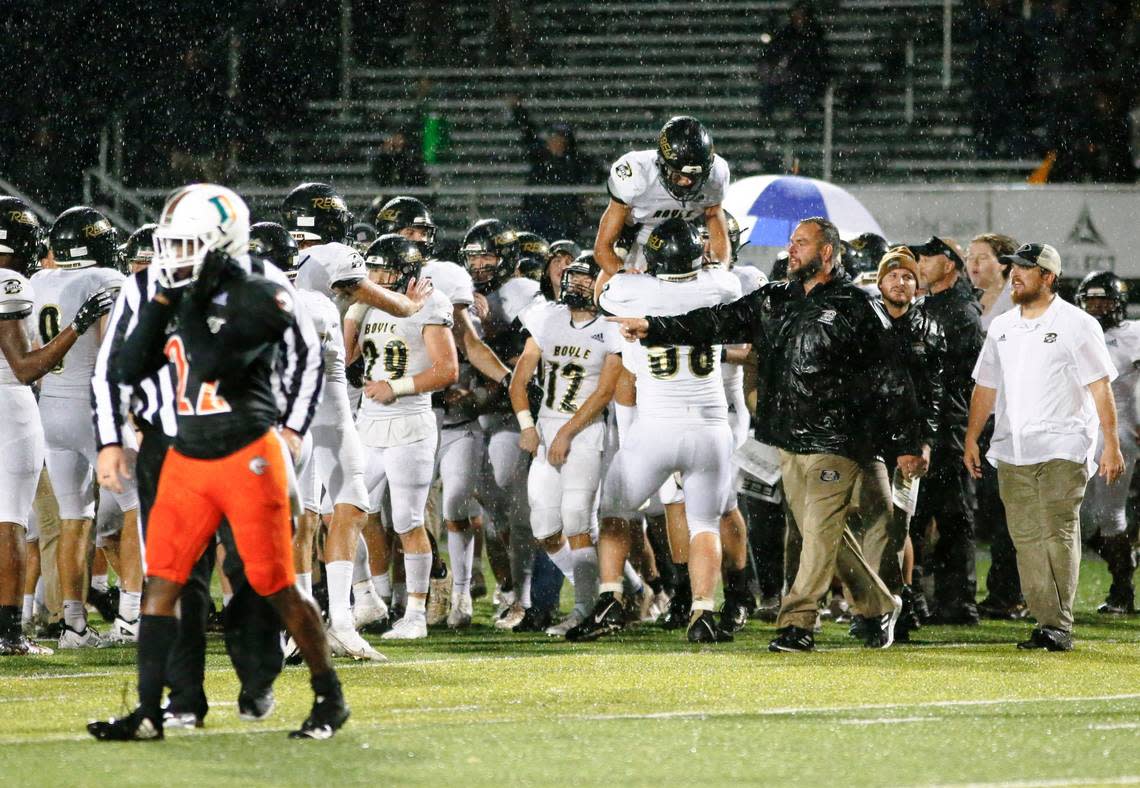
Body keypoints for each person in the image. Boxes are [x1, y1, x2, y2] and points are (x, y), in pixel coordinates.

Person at [89, 183, 347, 741]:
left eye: (186, 245)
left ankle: (297, 687)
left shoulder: (260, 292)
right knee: (169, 579)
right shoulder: (155, 286)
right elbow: (121, 367)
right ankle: (161, 707)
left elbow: (222, 361)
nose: (171, 257)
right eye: (170, 243)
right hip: (178, 447)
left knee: (264, 579)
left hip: (246, 447)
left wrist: (293, 429)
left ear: (220, 245)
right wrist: (113, 435)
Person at [611, 217, 924, 652]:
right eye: (791, 242)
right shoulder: (776, 298)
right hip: (789, 438)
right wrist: (655, 327)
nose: (791, 250)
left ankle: (797, 622)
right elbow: (716, 321)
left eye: (801, 243)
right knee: (827, 534)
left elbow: (893, 377)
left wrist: (908, 443)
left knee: (815, 534)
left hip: (839, 440)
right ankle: (879, 606)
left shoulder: (857, 306)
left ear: (827, 253)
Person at [573, 218, 741, 644]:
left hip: (658, 425)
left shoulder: (631, 291)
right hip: (710, 426)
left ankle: (611, 596)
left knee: (614, 508)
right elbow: (720, 264)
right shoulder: (721, 286)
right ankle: (703, 611)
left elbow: (602, 286)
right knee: (704, 523)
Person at [964, 243, 1124, 652]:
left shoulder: (1077, 323)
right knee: (1027, 538)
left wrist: (1110, 444)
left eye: (1025, 270)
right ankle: (1047, 621)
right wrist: (970, 437)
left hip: (1064, 445)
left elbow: (1100, 386)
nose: (1014, 275)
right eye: (1013, 268)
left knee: (1057, 530)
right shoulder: (1002, 326)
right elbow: (986, 386)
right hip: (1013, 448)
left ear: (1048, 277)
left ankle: (1057, 622)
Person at [0, 197, 113, 656]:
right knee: (9, 522)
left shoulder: (28, 281)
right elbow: (26, 367)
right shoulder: (8, 281)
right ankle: (8, 632)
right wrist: (76, 325)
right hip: (10, 405)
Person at [33, 206, 142, 648]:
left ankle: (73, 627)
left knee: (73, 517)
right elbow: (113, 352)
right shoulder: (108, 281)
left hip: (49, 411)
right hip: (94, 410)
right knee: (138, 506)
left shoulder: (38, 281)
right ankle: (131, 620)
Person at [350, 234, 457, 640]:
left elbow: (447, 370)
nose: (376, 276)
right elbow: (346, 358)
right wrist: (357, 307)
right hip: (368, 424)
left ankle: (414, 614)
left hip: (410, 423)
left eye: (384, 270)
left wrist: (399, 387)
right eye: (372, 269)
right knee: (344, 511)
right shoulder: (370, 304)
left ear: (407, 271)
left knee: (408, 522)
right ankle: (367, 599)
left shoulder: (432, 301)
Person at [509, 253, 622, 635]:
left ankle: (586, 610)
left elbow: (605, 391)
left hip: (586, 432)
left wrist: (568, 432)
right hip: (546, 429)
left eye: (588, 279)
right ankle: (610, 596)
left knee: (577, 520)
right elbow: (519, 379)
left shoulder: (612, 326)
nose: (577, 284)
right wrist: (527, 425)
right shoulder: (546, 316)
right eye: (574, 277)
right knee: (544, 527)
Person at [869, 248, 945, 639]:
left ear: (917, 286)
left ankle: (898, 600)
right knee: (873, 526)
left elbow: (934, 393)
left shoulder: (930, 327)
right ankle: (877, 604)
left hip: (909, 442)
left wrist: (925, 442)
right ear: (880, 281)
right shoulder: (864, 321)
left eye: (908, 277)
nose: (901, 282)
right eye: (894, 276)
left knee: (898, 526)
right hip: (868, 439)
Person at [909, 235, 984, 625]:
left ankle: (958, 602)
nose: (920, 262)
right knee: (919, 514)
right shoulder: (933, 305)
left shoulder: (961, 312)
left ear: (951, 264)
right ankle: (919, 597)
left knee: (952, 514)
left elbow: (959, 379)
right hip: (930, 423)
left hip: (949, 425)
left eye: (928, 256)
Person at [965, 232, 1025, 621]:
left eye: (982, 258)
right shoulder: (966, 302)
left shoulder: (1019, 305)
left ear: (1004, 263)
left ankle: (1010, 592)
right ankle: (970, 591)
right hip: (974, 416)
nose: (973, 264)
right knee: (978, 509)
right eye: (970, 257)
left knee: (1008, 511)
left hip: (1008, 416)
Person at [595, 116, 731, 279]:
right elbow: (602, 248)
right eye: (679, 175)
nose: (687, 182)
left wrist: (720, 268)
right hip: (636, 235)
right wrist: (624, 274)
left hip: (686, 238)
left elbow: (713, 215)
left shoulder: (716, 175)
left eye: (695, 176)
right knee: (606, 293)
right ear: (662, 164)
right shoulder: (638, 175)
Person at [1075, 271, 1139, 614]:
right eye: (1092, 301)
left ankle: (1121, 591)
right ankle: (1126, 560)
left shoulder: (1134, 334)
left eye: (1105, 301)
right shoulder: (1072, 332)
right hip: (1079, 433)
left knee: (1110, 514)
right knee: (1079, 521)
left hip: (1121, 433)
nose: (1098, 307)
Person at [511, 99, 602, 240]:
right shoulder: (540, 156)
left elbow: (598, 172)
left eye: (559, 138)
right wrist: (518, 109)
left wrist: (588, 193)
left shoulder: (576, 162)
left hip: (564, 216)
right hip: (538, 212)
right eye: (553, 137)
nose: (555, 141)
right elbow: (527, 132)